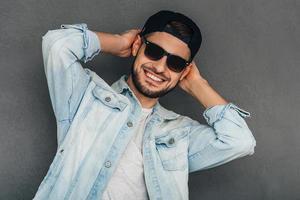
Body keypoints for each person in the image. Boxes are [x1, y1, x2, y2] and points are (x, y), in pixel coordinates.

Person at [33, 10, 256, 200]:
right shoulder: (85, 97)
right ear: (138, 45)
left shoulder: (179, 133)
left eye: (176, 63)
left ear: (184, 71)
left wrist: (198, 84)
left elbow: (240, 142)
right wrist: (119, 42)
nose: (160, 67)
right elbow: (57, 45)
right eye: (154, 51)